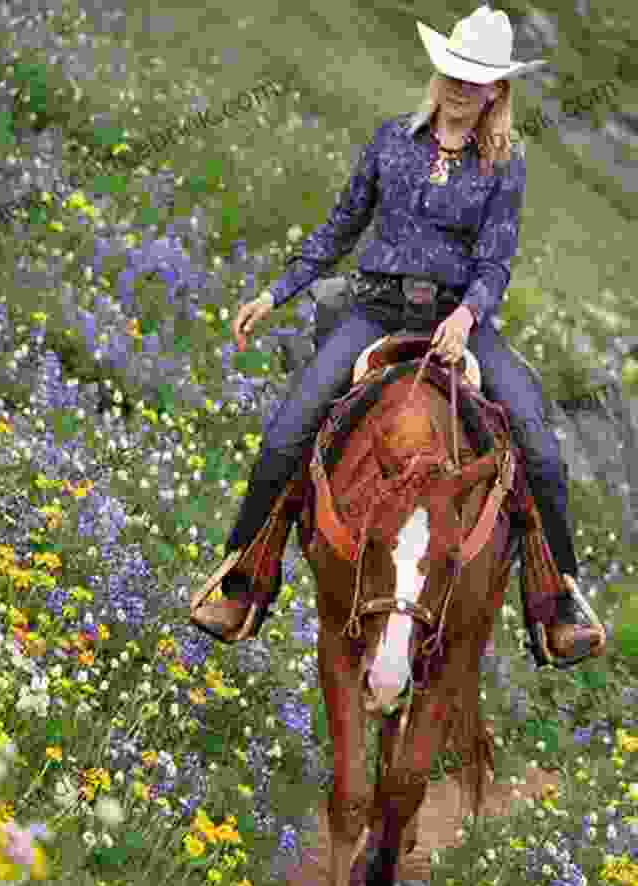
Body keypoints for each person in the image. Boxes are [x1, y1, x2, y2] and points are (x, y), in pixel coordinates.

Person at [188, 4, 607, 665]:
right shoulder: (390, 141)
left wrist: (466, 317)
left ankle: (555, 605)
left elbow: (496, 260)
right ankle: (244, 581)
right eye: (452, 75)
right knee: (288, 431)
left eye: (475, 80)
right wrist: (274, 294)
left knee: (538, 444)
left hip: (456, 322)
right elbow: (339, 228)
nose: (460, 89)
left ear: (497, 89)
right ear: (438, 75)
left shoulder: (506, 165)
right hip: (377, 311)